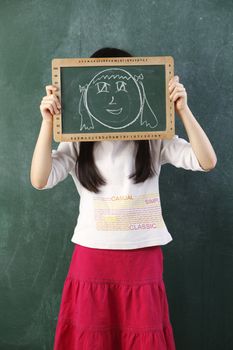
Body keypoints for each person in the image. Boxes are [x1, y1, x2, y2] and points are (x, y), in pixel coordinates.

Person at [30, 47, 217, 350]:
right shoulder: (78, 140)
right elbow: (40, 179)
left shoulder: (154, 136)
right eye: (102, 88)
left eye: (122, 87)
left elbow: (206, 160)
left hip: (141, 257)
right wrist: (48, 122)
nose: (113, 98)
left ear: (138, 92)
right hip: (92, 257)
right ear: (87, 94)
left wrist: (182, 109)